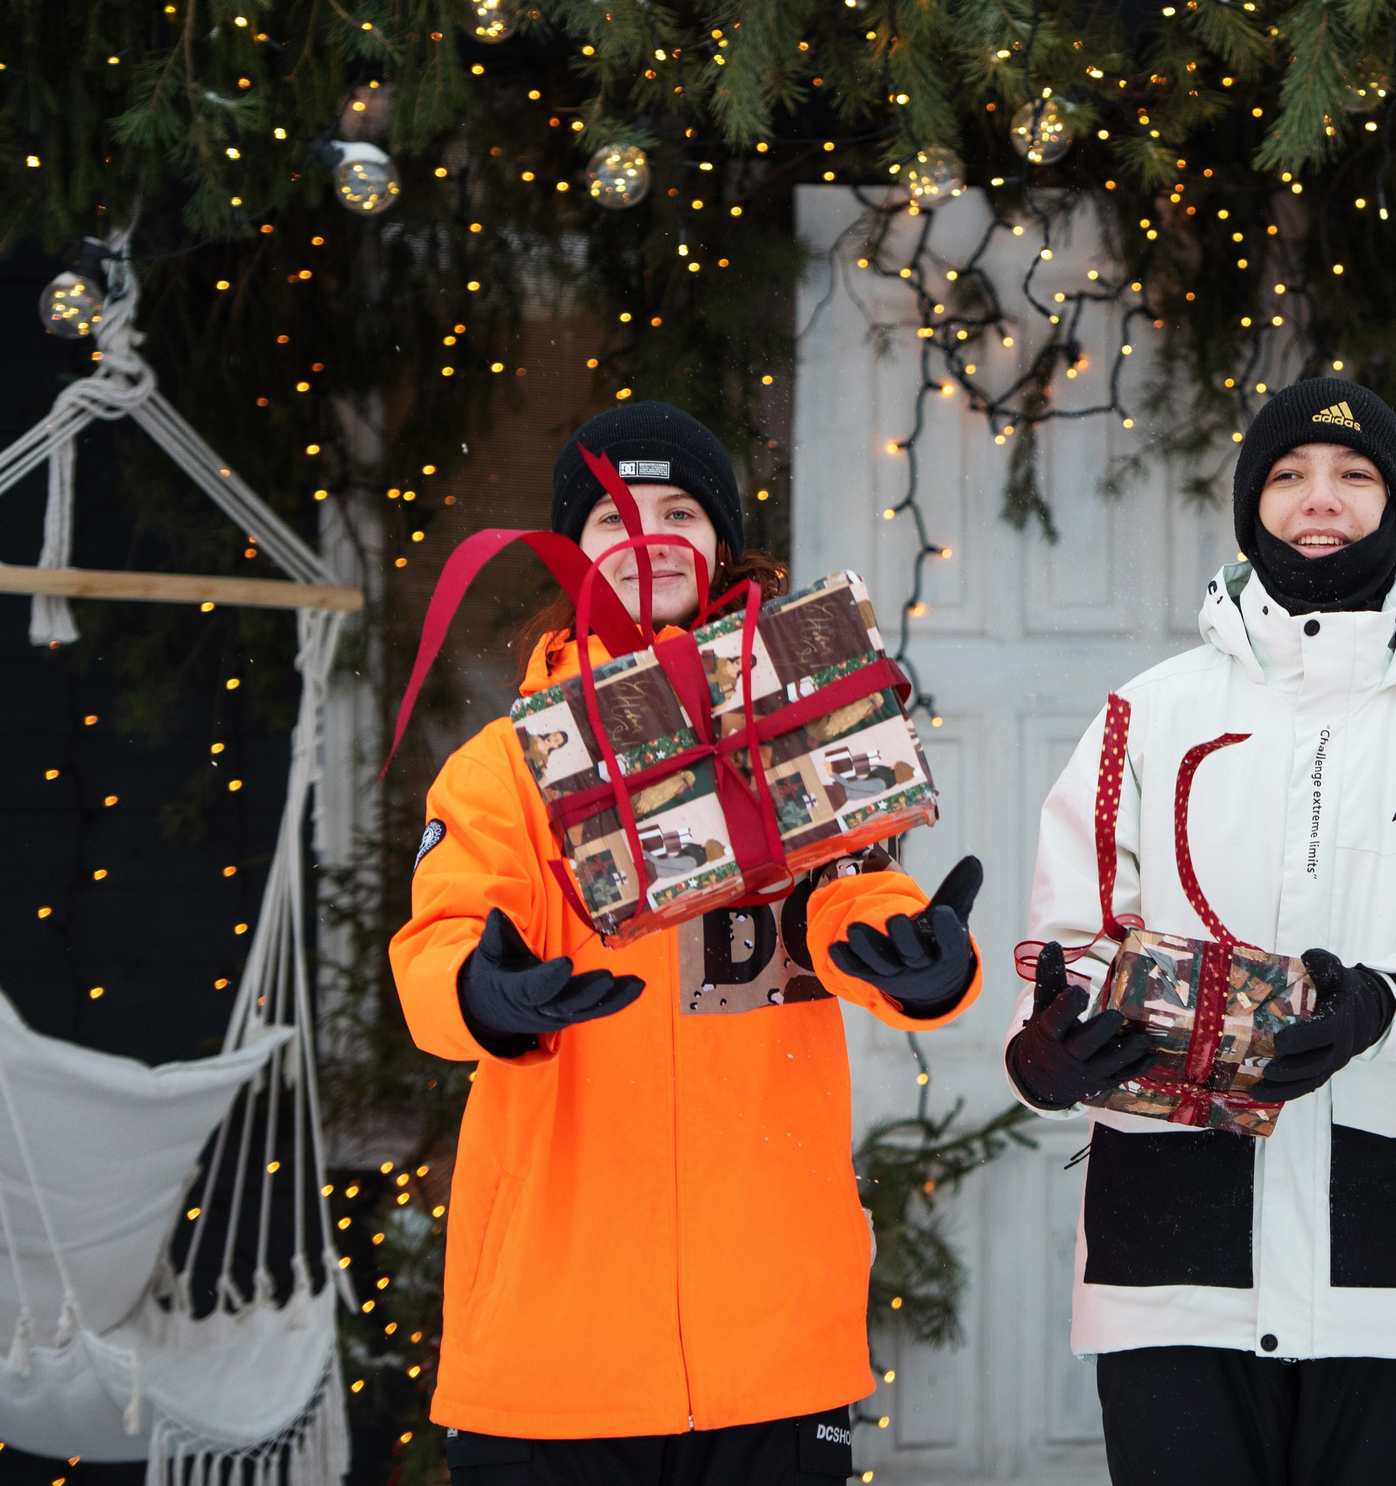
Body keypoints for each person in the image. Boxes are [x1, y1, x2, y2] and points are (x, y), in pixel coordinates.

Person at [1005, 376, 1396, 1486]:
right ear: (1248, 506)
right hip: (1173, 1254)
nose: (1319, 498)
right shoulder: (1151, 709)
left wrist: (1383, 1005)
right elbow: (1067, 940)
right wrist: (1045, 1049)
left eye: (1355, 475)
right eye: (1287, 475)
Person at [389, 401, 984, 1484]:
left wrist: (917, 958)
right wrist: (483, 990)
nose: (651, 535)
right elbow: (434, 950)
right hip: (550, 1343)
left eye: (679, 510)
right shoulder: (501, 766)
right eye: (617, 520)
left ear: (720, 539)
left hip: (773, 1339)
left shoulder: (787, 728)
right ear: (575, 551)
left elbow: (844, 897)